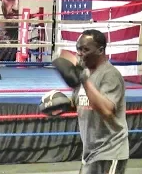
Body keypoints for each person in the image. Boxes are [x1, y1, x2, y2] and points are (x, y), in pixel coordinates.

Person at [40, 29, 129, 174]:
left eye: (85, 49)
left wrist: (84, 80)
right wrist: (59, 104)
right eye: (78, 49)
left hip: (110, 151)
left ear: (100, 50)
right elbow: (79, 103)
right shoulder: (83, 72)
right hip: (90, 152)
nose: (80, 53)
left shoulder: (110, 75)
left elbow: (107, 111)